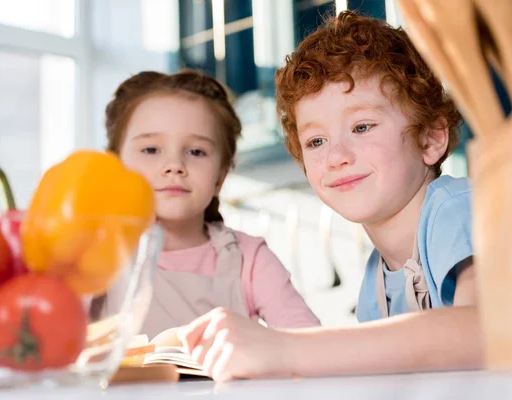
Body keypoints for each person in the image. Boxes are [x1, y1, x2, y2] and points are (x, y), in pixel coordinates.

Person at [178, 11, 482, 381]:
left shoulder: (455, 208)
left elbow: (481, 331)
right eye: (316, 141)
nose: (336, 156)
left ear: (431, 139)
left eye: (362, 126)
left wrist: (285, 348)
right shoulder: (376, 278)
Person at [102, 69, 320, 339]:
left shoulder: (248, 259)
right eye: (151, 149)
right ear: (114, 166)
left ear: (221, 175)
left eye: (196, 151)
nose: (174, 166)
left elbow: (310, 344)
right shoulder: (91, 252)